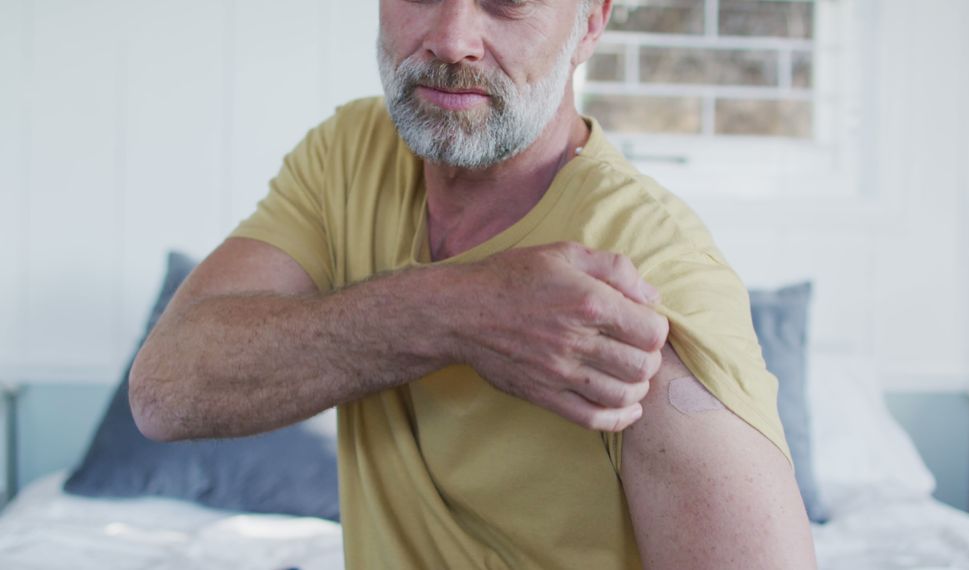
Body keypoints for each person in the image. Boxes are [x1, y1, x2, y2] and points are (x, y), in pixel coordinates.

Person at [129, 0, 817, 567]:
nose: (452, 39)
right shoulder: (350, 153)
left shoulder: (649, 269)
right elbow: (165, 392)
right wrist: (453, 311)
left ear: (592, 21)